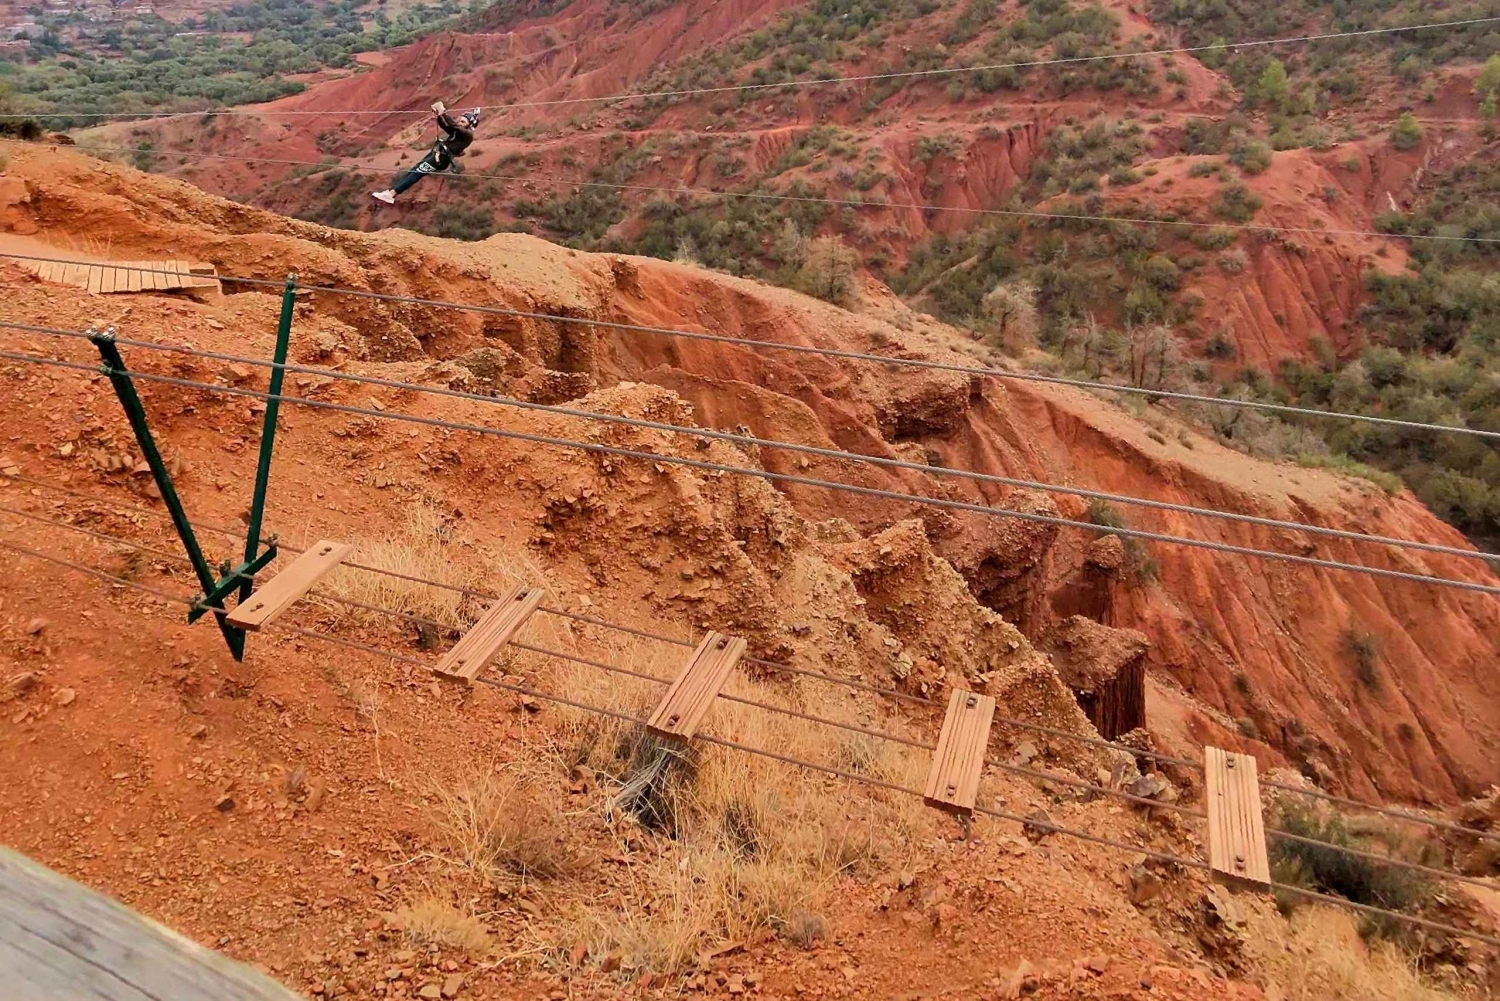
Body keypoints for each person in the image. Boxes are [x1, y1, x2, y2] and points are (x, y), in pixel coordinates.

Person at [370, 102, 479, 205]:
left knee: (417, 172)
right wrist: (438, 116)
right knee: (414, 170)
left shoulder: (468, 135)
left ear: (470, 125)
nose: (460, 122)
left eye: (463, 122)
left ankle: (392, 193)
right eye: (460, 120)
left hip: (442, 158)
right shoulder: (459, 132)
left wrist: (443, 112)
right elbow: (446, 126)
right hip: (438, 154)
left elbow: (454, 126)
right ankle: (390, 191)